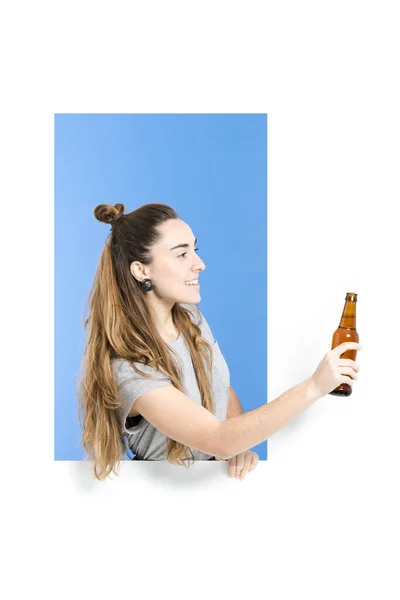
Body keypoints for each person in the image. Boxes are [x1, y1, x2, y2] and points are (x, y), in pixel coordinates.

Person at [78, 202, 362, 482]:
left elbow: (219, 384)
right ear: (141, 271)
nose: (199, 264)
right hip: (166, 497)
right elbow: (219, 439)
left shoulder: (189, 318)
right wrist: (313, 386)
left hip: (214, 487)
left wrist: (236, 448)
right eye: (181, 255)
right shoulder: (129, 370)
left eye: (194, 250)